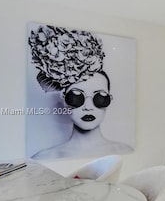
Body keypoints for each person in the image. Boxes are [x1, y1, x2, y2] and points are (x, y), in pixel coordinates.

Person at [28, 24, 132, 160]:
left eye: (99, 98)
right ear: (64, 99)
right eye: (77, 97)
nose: (88, 107)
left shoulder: (124, 151)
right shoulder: (43, 158)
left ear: (109, 100)